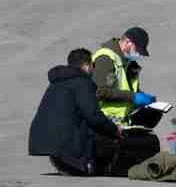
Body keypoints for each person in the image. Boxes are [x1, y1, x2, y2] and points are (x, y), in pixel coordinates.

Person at [29, 48, 123, 176]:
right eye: (92, 65)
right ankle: (89, 164)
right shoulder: (83, 83)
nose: (93, 69)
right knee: (104, 136)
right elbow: (93, 116)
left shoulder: (57, 83)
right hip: (68, 144)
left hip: (49, 143)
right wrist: (114, 130)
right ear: (86, 65)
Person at [92, 27, 157, 125]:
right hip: (104, 124)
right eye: (137, 50)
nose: (138, 54)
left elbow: (125, 88)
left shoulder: (128, 64)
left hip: (122, 124)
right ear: (127, 42)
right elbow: (102, 92)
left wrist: (143, 98)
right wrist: (133, 97)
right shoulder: (106, 59)